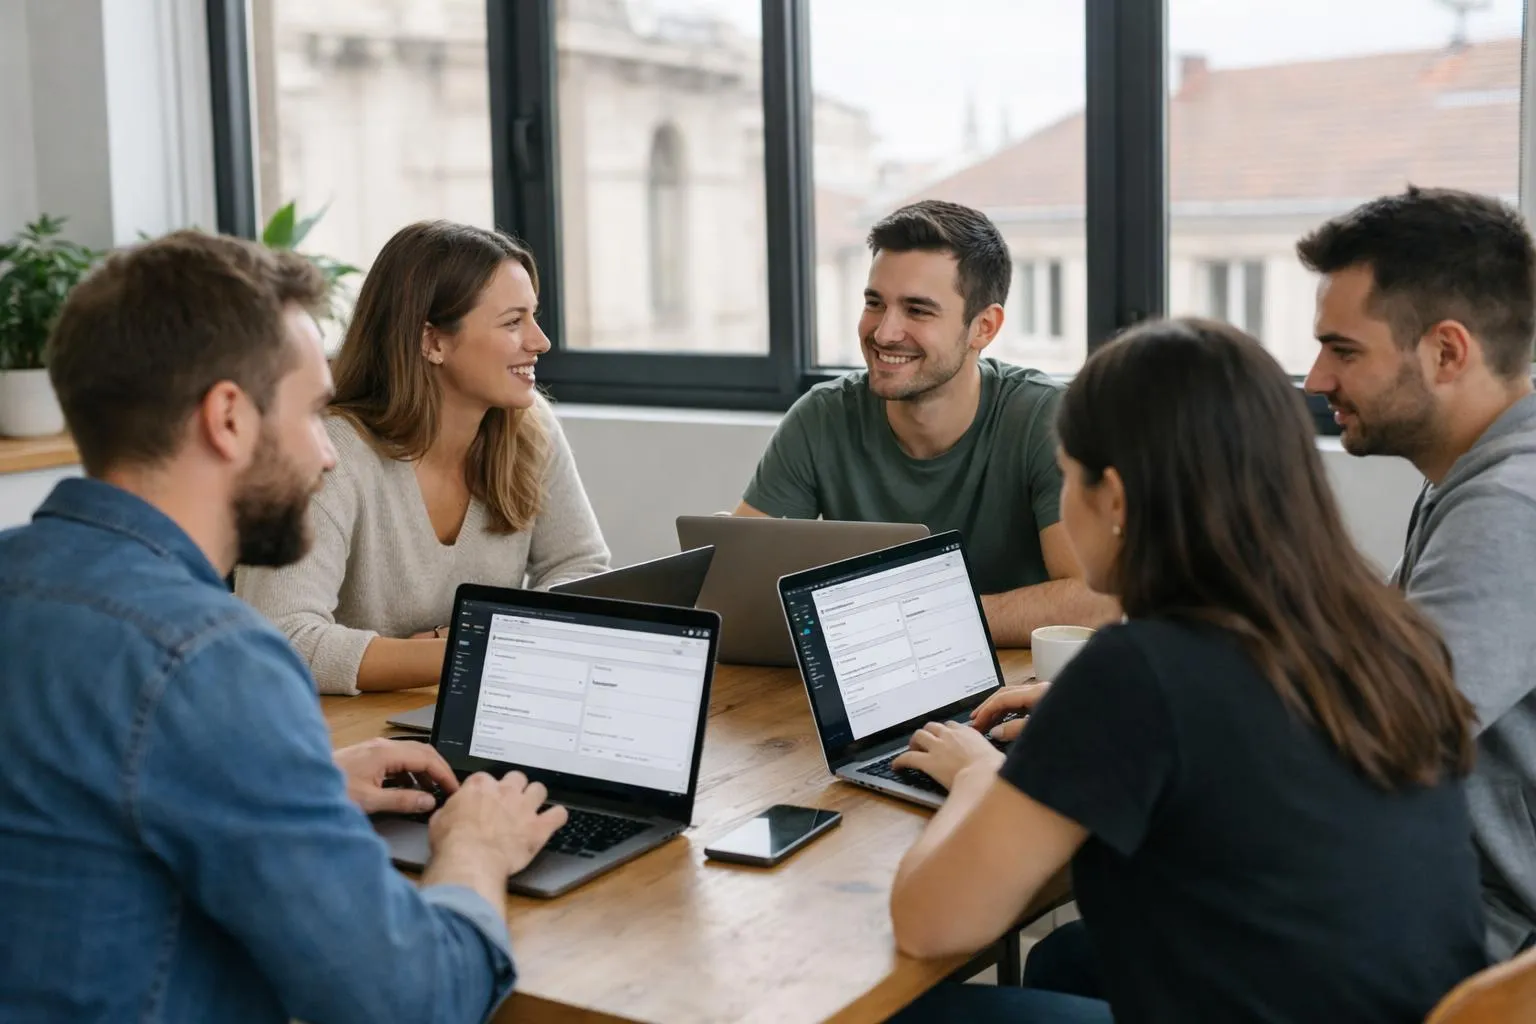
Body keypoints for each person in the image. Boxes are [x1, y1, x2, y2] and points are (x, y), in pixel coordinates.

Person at [0, 231, 568, 1023]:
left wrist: (302, 782)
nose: (328, 455)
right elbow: (414, 1000)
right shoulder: (211, 660)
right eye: (311, 412)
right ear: (228, 419)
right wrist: (475, 844)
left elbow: (74, 810)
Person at [886, 318, 1488, 1022]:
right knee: (1067, 960)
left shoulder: (1138, 671)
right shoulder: (1382, 629)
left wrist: (979, 777)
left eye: (1067, 477)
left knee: (917, 1011)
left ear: (1114, 498)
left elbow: (930, 922)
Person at [1300, 186, 1536, 961]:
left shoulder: (1510, 507)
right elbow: (1382, 670)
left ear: (1445, 352)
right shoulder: (1472, 475)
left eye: (1344, 350)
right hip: (1424, 891)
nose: (1315, 382)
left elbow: (1377, 741)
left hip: (1473, 946)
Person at [237, 221, 609, 694]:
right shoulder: (332, 453)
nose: (540, 341)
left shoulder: (529, 426)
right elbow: (279, 638)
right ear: (431, 341)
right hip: (339, 735)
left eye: (533, 317)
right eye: (513, 322)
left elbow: (581, 569)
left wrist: (461, 641)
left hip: (461, 711)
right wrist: (468, 646)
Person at [735, 200, 1117, 646]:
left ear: (984, 328)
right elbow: (739, 585)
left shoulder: (1045, 419)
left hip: (1011, 696)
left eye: (917, 310)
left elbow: (1096, 601)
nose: (884, 333)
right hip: (868, 679)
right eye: (875, 303)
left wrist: (911, 621)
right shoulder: (821, 416)